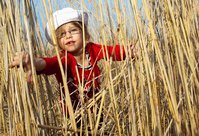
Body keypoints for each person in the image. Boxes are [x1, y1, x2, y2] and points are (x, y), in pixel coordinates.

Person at [10, 7, 138, 132]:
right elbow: (49, 63)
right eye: (62, 34)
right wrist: (32, 62)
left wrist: (131, 50)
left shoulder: (92, 49)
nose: (68, 36)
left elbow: (113, 51)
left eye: (73, 30)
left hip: (97, 109)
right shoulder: (64, 59)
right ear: (57, 41)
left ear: (84, 32)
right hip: (74, 114)